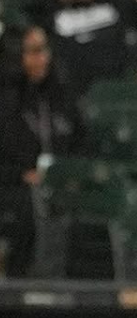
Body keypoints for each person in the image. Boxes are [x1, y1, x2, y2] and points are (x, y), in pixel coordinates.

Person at [0, 25, 80, 278]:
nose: (42, 59)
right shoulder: (5, 101)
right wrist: (20, 175)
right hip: (13, 188)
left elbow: (80, 143)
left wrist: (68, 173)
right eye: (32, 52)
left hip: (57, 187)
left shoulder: (61, 94)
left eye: (44, 50)